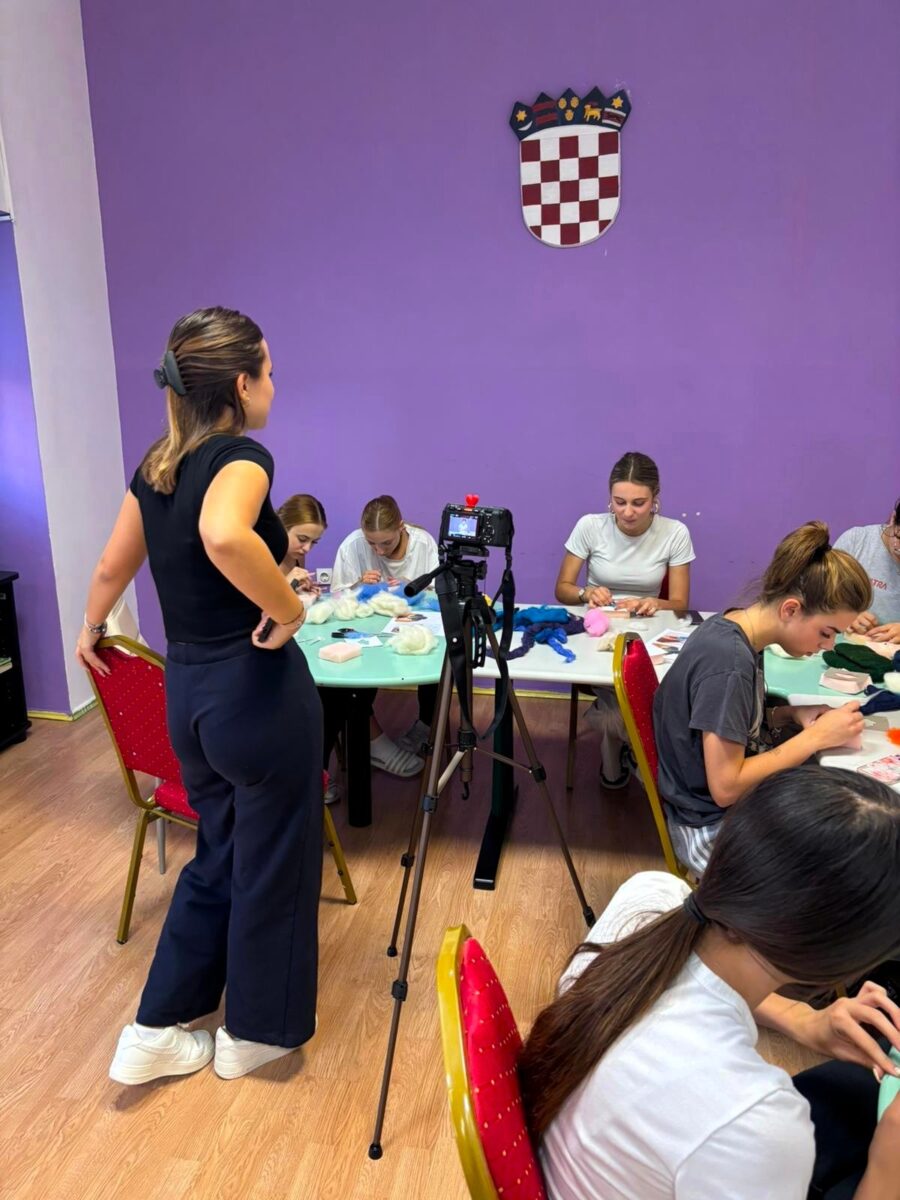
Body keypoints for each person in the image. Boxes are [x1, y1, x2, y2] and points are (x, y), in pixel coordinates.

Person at [76, 307, 322, 1083]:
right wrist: (289, 607)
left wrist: (91, 627)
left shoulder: (158, 464)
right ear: (241, 384)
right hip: (253, 693)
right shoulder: (241, 457)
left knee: (220, 851)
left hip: (188, 694)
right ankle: (257, 1034)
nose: (274, 385)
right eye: (269, 372)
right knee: (275, 858)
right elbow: (223, 534)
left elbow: (113, 566)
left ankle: (155, 1026)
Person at [520, 766, 900, 1200]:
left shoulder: (648, 901)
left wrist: (804, 1020)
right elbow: (746, 1130)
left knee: (848, 1092)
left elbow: (709, 976)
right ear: (842, 967)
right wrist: (887, 1169)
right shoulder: (753, 1122)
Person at [654, 521, 871, 875]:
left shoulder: (736, 628)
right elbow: (726, 787)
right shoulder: (728, 663)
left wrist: (790, 715)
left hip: (722, 812)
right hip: (710, 831)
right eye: (826, 632)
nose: (829, 645)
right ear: (791, 609)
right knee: (847, 870)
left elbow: (733, 720)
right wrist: (817, 737)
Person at [555, 452, 695, 788]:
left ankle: (618, 745)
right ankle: (639, 752)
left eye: (638, 503)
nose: (628, 512)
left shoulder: (675, 532)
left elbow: (680, 604)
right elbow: (562, 589)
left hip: (646, 630)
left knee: (638, 679)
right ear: (609, 498)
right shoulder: (590, 526)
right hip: (595, 632)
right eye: (619, 502)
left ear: (655, 499)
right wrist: (586, 594)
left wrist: (654, 602)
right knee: (617, 682)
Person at [329, 495, 440, 770]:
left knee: (435, 658)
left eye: (386, 543)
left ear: (401, 527)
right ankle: (366, 734)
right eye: (371, 544)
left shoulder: (423, 543)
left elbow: (438, 593)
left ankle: (426, 724)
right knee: (356, 665)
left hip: (413, 624)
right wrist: (357, 585)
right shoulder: (352, 545)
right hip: (367, 627)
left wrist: (413, 586)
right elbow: (336, 597)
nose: (378, 551)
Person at [835, 497, 900, 643]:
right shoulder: (856, 541)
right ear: (893, 519)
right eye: (899, 537)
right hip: (841, 643)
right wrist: (844, 613)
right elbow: (818, 595)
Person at [276, 492, 327, 592]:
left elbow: (288, 594)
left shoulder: (298, 556)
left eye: (314, 542)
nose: (307, 549)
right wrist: (286, 585)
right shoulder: (262, 555)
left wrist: (301, 590)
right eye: (302, 539)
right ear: (282, 527)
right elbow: (254, 601)